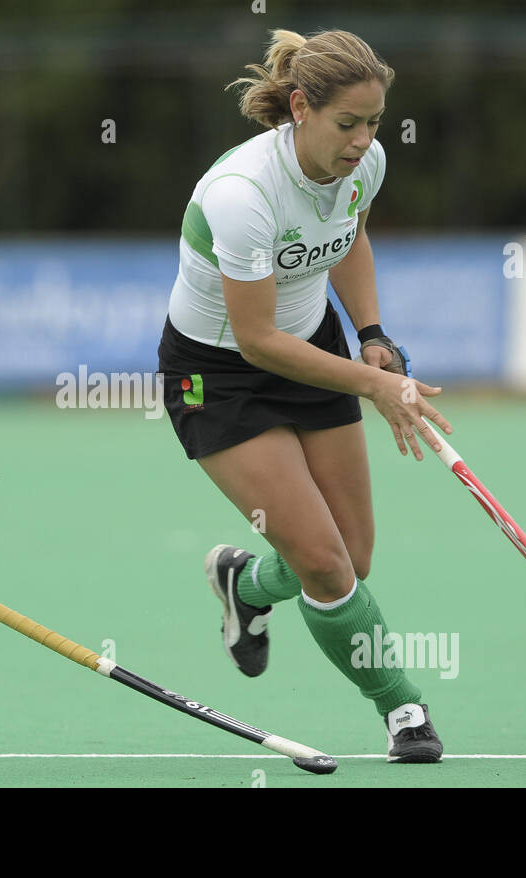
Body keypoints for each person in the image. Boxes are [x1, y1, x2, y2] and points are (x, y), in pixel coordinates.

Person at [158, 29, 453, 763]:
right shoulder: (242, 194)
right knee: (325, 563)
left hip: (314, 346)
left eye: (374, 122)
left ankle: (246, 580)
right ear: (299, 107)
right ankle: (402, 708)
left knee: (353, 556)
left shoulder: (364, 166)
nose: (362, 140)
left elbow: (347, 239)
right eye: (347, 123)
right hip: (216, 375)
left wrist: (373, 335)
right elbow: (256, 340)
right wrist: (377, 385)